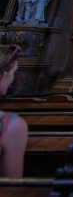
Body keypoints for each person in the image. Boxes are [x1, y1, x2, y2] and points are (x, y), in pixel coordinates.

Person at [0, 44, 27, 177]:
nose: (12, 78)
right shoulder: (12, 125)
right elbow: (12, 190)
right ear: (3, 75)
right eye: (13, 73)